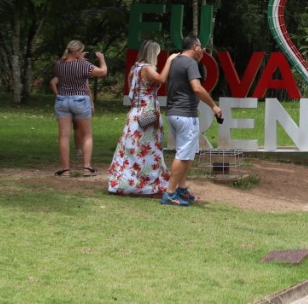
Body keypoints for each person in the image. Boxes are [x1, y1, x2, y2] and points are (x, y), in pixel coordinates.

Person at [107, 40, 174, 195]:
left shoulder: (134, 68)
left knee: (131, 148)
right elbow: (161, 80)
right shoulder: (147, 69)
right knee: (148, 148)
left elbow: (133, 92)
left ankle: (126, 180)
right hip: (148, 113)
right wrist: (169, 61)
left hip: (135, 113)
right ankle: (145, 181)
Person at [162, 36, 222, 206]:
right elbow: (197, 88)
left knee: (187, 154)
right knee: (182, 155)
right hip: (185, 115)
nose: (202, 50)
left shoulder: (175, 61)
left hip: (173, 113)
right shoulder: (190, 63)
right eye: (201, 47)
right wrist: (213, 106)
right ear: (195, 47)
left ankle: (181, 189)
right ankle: (170, 193)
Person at [52, 40, 108, 176]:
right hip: (80, 99)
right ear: (77, 51)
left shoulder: (59, 64)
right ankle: (86, 167)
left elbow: (64, 75)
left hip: (62, 99)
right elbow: (102, 72)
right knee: (87, 134)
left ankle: (65, 169)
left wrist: (79, 58)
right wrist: (101, 59)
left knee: (64, 135)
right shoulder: (83, 64)